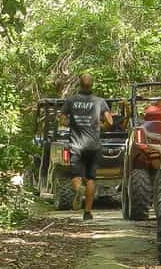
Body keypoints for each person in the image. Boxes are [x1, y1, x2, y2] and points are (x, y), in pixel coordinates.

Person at [60, 73, 113, 220]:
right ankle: (88, 212)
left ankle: (78, 189)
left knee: (76, 176)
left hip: (76, 145)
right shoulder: (99, 101)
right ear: (92, 85)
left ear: (79, 84)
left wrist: (73, 123)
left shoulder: (71, 101)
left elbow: (62, 121)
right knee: (91, 178)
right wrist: (100, 126)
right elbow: (110, 122)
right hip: (93, 146)